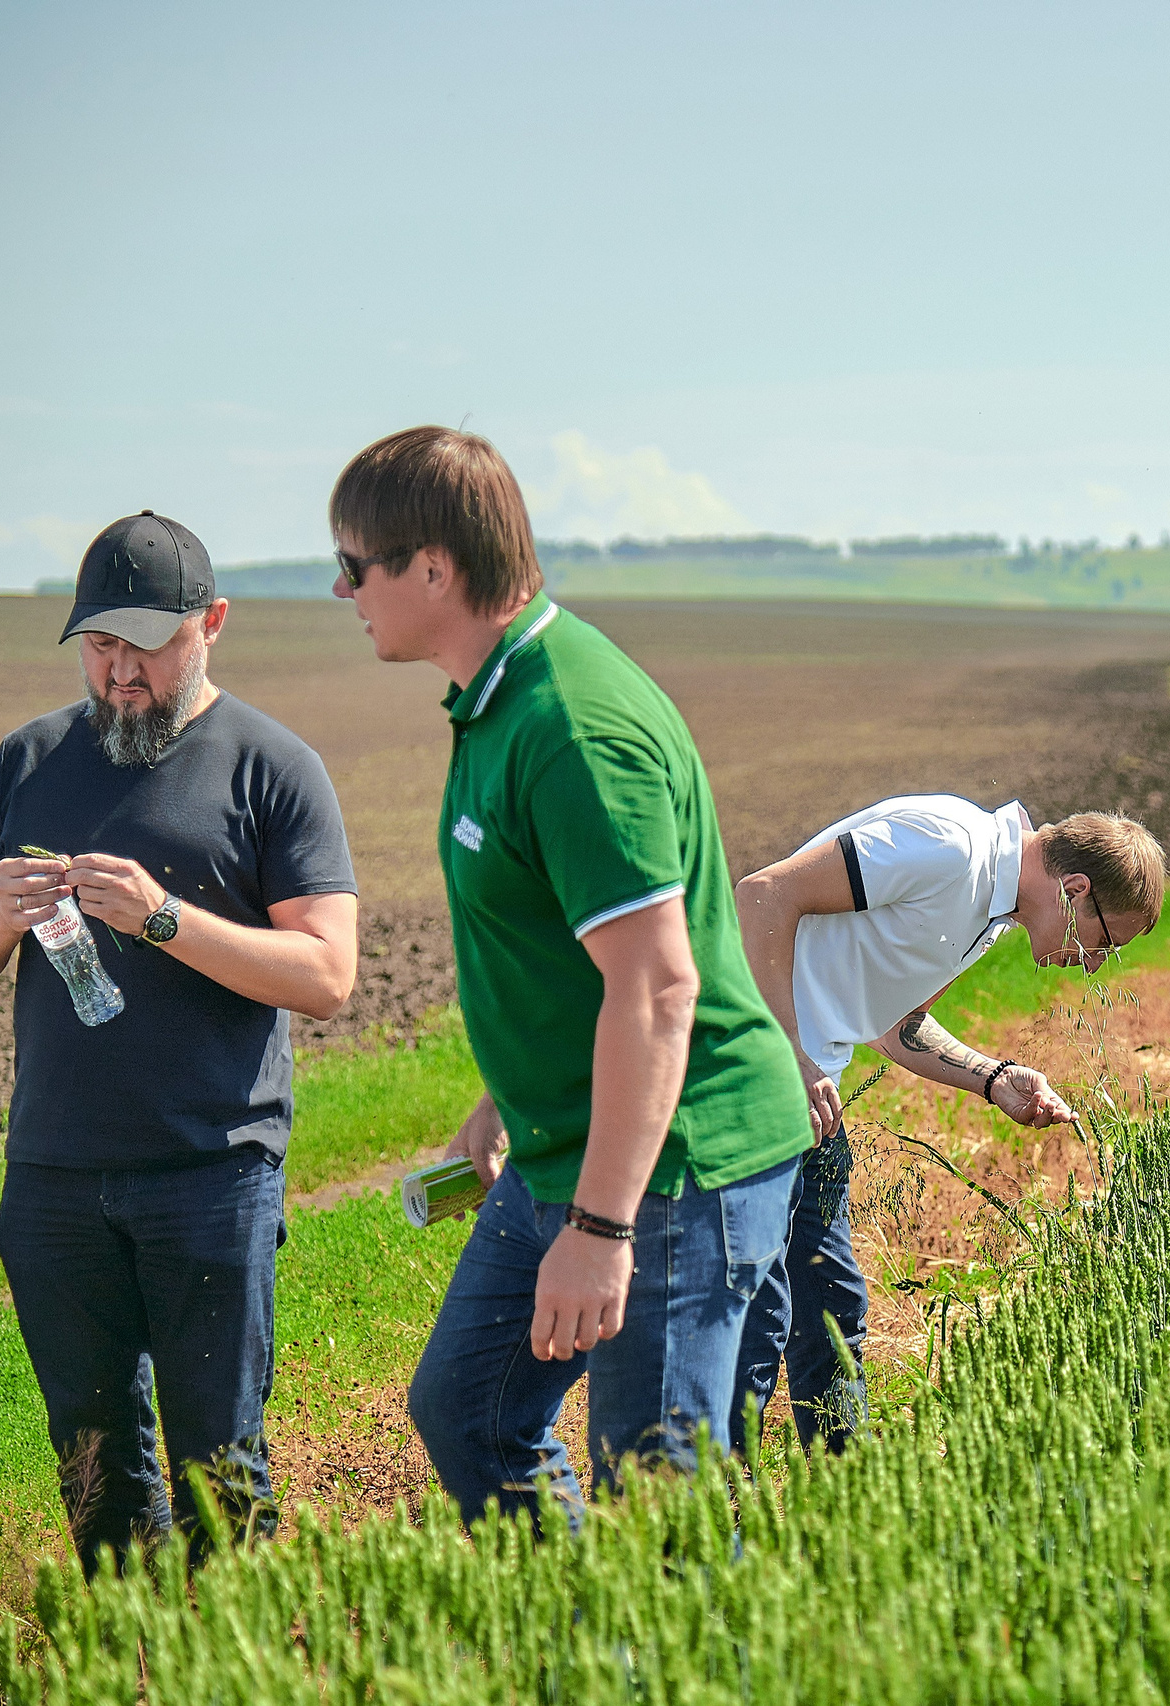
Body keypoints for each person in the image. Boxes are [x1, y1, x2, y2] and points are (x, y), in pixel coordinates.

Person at [328, 426, 808, 1529]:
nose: (342, 588)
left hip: (675, 1166)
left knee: (657, 1496)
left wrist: (600, 1229)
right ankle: (587, 1651)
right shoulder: (499, 700)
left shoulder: (570, 726)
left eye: (354, 564)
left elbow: (656, 988)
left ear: (434, 568)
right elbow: (561, 948)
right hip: (567, 1144)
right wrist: (512, 1090)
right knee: (466, 1407)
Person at [0, 511, 359, 1574]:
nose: (119, 671)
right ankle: (130, 1662)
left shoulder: (273, 766)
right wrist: (2, 915)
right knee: (93, 1466)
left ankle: (234, 1664)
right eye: (99, 644)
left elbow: (328, 975)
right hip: (56, 1177)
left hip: (212, 1171)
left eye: (145, 645)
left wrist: (164, 917)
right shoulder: (28, 757)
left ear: (211, 622)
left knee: (222, 1470)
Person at [727, 798, 1166, 1452]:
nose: (1095, 964)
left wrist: (994, 1079)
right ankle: (697, 1516)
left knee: (830, 1306)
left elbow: (893, 1025)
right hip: (738, 1078)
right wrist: (787, 1052)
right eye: (1102, 942)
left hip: (802, 1102)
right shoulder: (949, 848)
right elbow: (764, 893)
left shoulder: (990, 910)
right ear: (1074, 890)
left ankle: (846, 1496)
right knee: (756, 1320)